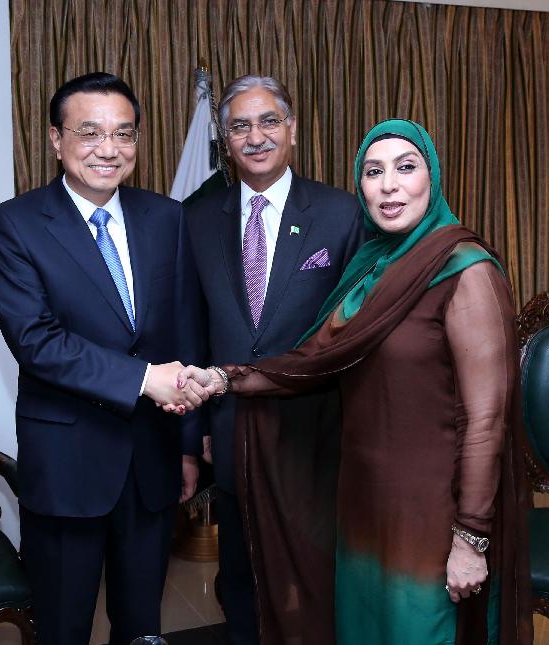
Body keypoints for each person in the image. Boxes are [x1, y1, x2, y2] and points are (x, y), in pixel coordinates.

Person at [178, 120, 533, 644]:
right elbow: (313, 361)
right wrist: (221, 379)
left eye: (405, 167)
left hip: (430, 514)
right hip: (361, 504)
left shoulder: (466, 270)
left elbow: (487, 422)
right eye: (373, 171)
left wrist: (470, 539)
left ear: (431, 177)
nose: (388, 184)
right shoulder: (373, 265)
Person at [0, 72, 208, 645]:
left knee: (142, 624)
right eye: (89, 132)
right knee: (63, 624)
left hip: (153, 461)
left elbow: (183, 331)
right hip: (67, 463)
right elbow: (36, 340)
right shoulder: (15, 224)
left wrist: (187, 448)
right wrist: (143, 380)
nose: (109, 149)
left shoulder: (167, 217)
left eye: (124, 134)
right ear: (56, 139)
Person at [183, 75, 365, 645]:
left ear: (292, 129)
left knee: (316, 574)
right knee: (240, 574)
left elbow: (357, 332)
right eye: (239, 126)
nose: (255, 137)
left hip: (315, 432)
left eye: (268, 122)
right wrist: (194, 435)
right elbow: (189, 335)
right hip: (231, 430)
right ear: (225, 139)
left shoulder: (341, 214)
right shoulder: (194, 215)